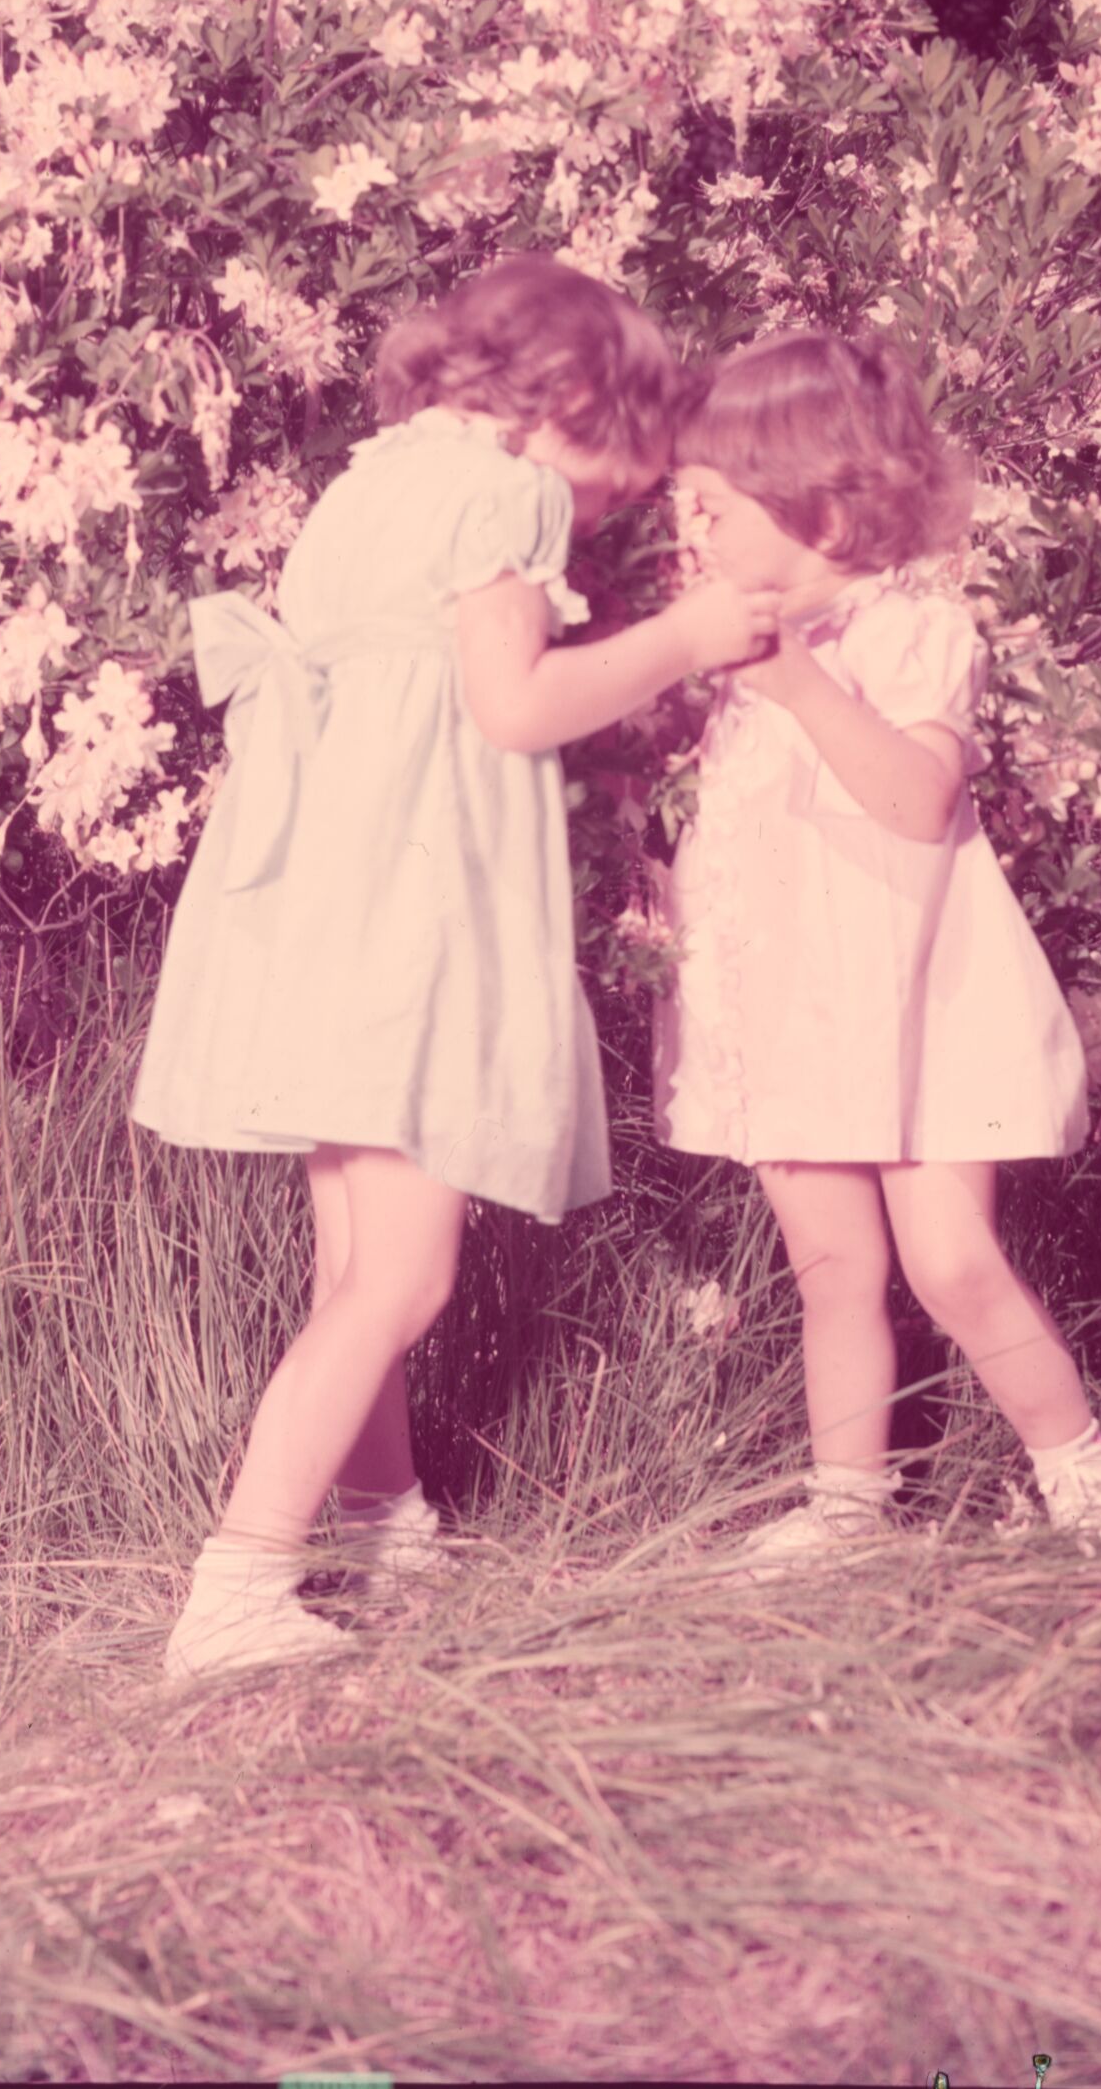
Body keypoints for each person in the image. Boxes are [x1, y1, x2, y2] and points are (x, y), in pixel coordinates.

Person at [138, 256, 784, 1678]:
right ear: (562, 402)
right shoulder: (507, 491)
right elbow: (513, 706)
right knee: (406, 1278)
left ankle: (383, 1519)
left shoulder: (370, 482)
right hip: (408, 910)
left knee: (351, 1260)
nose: (622, 499)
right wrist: (679, 640)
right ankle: (237, 1585)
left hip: (319, 898)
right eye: (628, 455)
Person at [656, 327, 1101, 1564]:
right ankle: (848, 1512)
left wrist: (798, 686)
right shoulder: (729, 655)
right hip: (791, 999)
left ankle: (1091, 1495)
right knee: (829, 1265)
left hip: (910, 1003)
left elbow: (917, 803)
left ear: (816, 507)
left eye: (711, 508)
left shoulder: (910, 632)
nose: (691, 534)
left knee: (950, 1262)